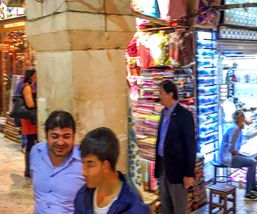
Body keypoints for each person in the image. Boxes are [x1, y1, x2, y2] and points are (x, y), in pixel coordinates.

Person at [71, 127, 150, 214]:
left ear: (106, 166)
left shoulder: (134, 207)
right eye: (83, 163)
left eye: (90, 165)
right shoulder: (83, 196)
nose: (83, 172)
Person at [155, 80, 196, 214]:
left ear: (170, 94)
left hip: (177, 171)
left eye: (161, 93)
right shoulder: (163, 113)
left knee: (178, 208)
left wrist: (189, 173)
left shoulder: (185, 116)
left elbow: (190, 146)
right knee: (166, 205)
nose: (159, 96)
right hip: (163, 168)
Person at [31, 111, 83, 213]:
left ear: (74, 136)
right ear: (46, 135)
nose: (60, 142)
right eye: (54, 136)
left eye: (66, 136)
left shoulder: (83, 161)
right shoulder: (36, 152)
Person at [218, 110, 257, 200]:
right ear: (239, 118)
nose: (244, 118)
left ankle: (252, 187)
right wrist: (234, 152)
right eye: (243, 117)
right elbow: (231, 146)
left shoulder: (236, 127)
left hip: (230, 155)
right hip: (228, 157)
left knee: (254, 159)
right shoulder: (235, 129)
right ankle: (248, 193)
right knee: (252, 162)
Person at [14, 68, 39, 177]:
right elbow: (29, 104)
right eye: (36, 74)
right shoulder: (27, 87)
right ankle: (28, 170)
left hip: (32, 119)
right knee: (30, 142)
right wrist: (40, 103)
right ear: (32, 76)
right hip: (29, 119)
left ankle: (32, 167)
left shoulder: (32, 86)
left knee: (32, 141)